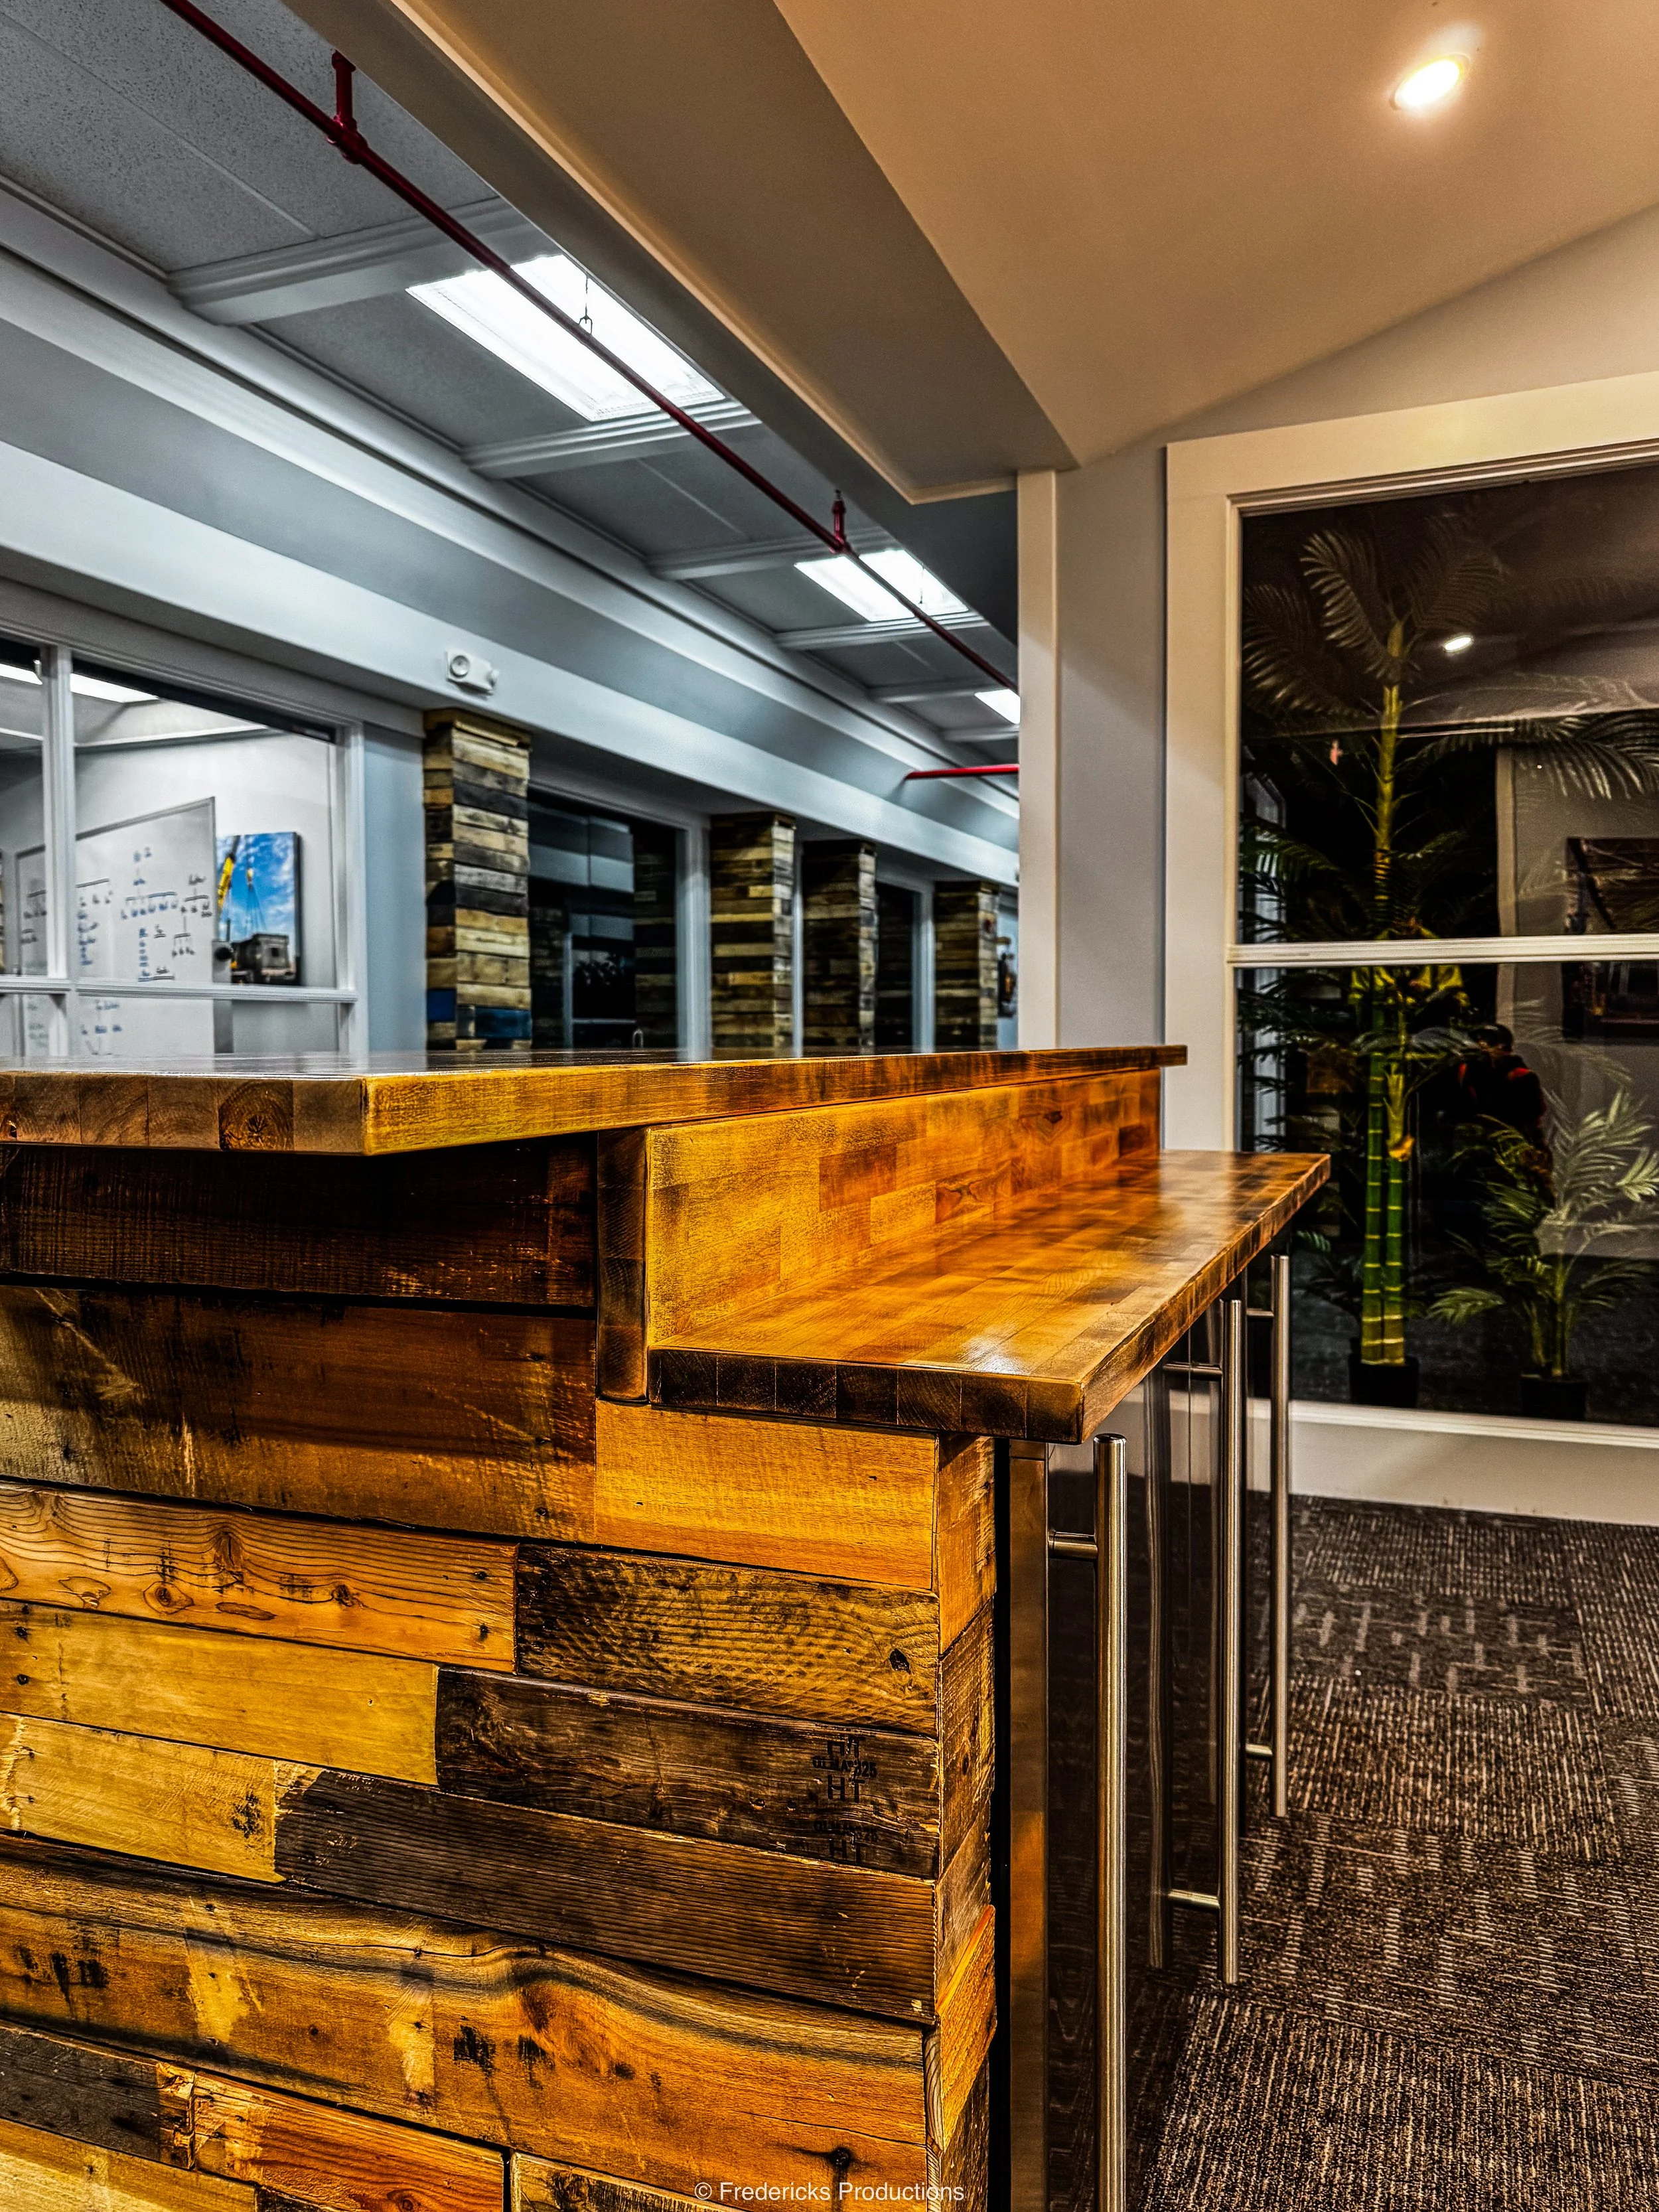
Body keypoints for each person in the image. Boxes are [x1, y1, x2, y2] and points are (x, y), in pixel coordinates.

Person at [1456, 1025, 1547, 1145]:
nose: (1480, 1048)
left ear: (1502, 1047)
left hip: (1511, 1141)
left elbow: (1532, 1116)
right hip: (1475, 1140)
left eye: (1486, 1043)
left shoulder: (1519, 1075)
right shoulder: (1468, 1071)